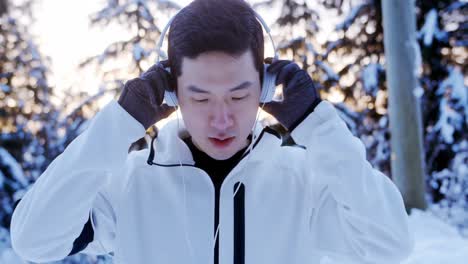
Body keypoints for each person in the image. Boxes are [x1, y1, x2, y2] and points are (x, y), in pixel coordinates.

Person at [10, 0, 413, 263]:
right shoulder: (131, 182)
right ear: (171, 94)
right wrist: (117, 126)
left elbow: (391, 245)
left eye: (239, 96)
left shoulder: (302, 181)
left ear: (266, 89)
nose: (222, 120)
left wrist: (318, 125)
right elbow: (33, 242)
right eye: (200, 98)